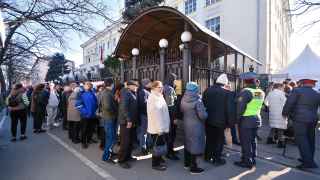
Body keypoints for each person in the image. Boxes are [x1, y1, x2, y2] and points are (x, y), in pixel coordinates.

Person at [282, 78, 320, 170]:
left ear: (303, 83)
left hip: (300, 119)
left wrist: (285, 113)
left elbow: (289, 103)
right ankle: (309, 159)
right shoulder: (317, 94)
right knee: (310, 140)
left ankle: (308, 162)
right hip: (313, 119)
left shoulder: (297, 90)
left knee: (302, 140)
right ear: (313, 85)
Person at [234, 76, 265, 169]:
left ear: (246, 82)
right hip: (256, 119)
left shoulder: (246, 92)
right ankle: (253, 158)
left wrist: (237, 119)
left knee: (245, 142)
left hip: (246, 120)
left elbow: (240, 107)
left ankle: (247, 161)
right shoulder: (260, 92)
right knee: (253, 140)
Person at [202, 74, 231, 166]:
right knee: (219, 140)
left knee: (210, 139)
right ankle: (216, 158)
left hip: (208, 119)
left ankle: (207, 156)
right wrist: (229, 122)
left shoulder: (207, 90)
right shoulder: (226, 92)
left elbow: (203, 103)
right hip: (220, 121)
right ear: (224, 83)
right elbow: (228, 109)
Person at [181, 82, 208, 174]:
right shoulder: (198, 101)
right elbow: (203, 116)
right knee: (195, 145)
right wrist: (206, 112)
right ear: (196, 89)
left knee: (188, 143)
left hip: (186, 123)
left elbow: (182, 110)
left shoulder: (183, 98)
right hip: (196, 126)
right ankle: (194, 168)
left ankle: (186, 164)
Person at [147, 81, 170, 171]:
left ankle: (159, 158)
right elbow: (156, 115)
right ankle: (155, 164)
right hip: (157, 128)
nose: (161, 89)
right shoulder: (154, 98)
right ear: (153, 88)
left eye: (161, 87)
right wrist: (160, 129)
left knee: (159, 144)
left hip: (160, 126)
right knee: (157, 146)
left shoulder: (158, 96)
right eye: (159, 87)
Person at [117, 80, 139, 169]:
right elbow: (123, 108)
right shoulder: (126, 93)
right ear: (130, 86)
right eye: (135, 85)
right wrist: (128, 120)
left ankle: (128, 156)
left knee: (130, 141)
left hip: (131, 121)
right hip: (126, 122)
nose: (136, 87)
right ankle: (121, 160)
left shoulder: (131, 92)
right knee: (125, 142)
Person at [264, 83, 287, 148]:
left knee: (274, 126)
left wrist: (271, 106)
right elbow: (285, 103)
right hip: (280, 113)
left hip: (272, 112)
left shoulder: (270, 93)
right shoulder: (281, 93)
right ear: (280, 87)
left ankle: (270, 139)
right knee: (280, 128)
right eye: (283, 87)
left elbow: (265, 103)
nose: (283, 88)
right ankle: (280, 142)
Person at [76, 82, 98, 149]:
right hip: (85, 115)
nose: (88, 86)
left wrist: (95, 111)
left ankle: (89, 139)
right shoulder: (81, 94)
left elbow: (95, 103)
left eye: (89, 85)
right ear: (84, 86)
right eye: (87, 85)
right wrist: (85, 112)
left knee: (91, 129)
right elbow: (78, 105)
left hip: (93, 115)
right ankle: (83, 142)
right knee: (84, 129)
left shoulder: (92, 93)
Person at [100, 78, 118, 163]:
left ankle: (110, 153)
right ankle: (106, 157)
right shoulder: (107, 93)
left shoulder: (106, 92)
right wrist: (115, 112)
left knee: (110, 137)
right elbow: (108, 107)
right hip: (109, 118)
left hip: (108, 118)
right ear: (111, 84)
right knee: (111, 138)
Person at [163, 73, 179, 160]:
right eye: (175, 79)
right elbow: (170, 105)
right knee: (171, 135)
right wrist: (174, 118)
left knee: (168, 135)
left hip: (165, 115)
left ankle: (170, 150)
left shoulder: (164, 86)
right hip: (170, 116)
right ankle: (169, 153)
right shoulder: (169, 89)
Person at [137, 79, 151, 155]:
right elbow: (143, 104)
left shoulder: (144, 91)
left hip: (145, 114)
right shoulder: (143, 91)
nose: (151, 84)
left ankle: (146, 146)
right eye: (149, 83)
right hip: (144, 115)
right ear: (146, 84)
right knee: (144, 132)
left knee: (145, 131)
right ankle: (143, 148)